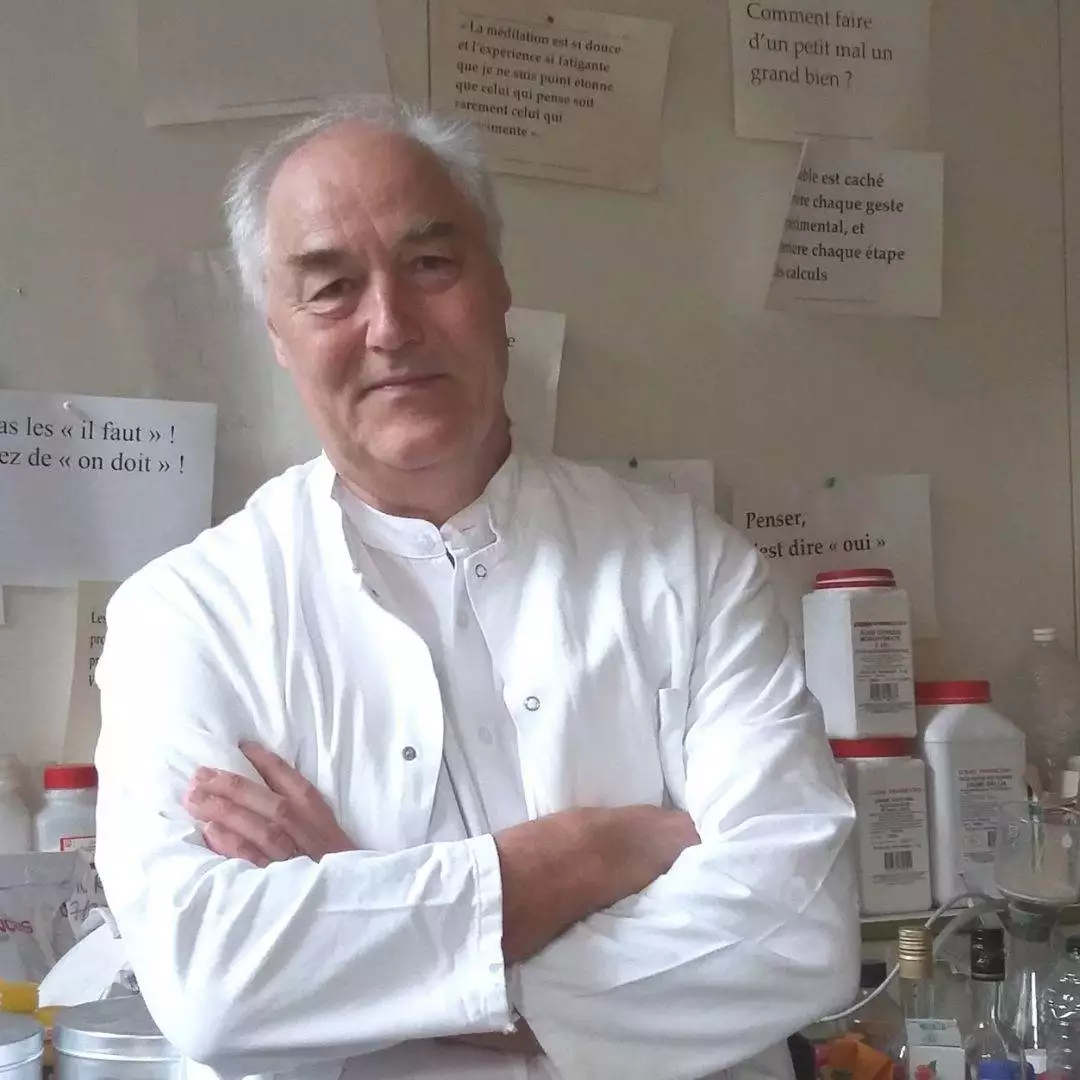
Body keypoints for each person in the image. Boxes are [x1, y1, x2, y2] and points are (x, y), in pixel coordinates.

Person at [94, 96, 859, 1080]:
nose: (390, 326)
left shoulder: (689, 567)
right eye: (330, 288)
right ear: (277, 333)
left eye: (429, 265)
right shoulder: (186, 617)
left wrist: (365, 927)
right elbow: (213, 983)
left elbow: (799, 928)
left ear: (499, 283)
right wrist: (585, 856)